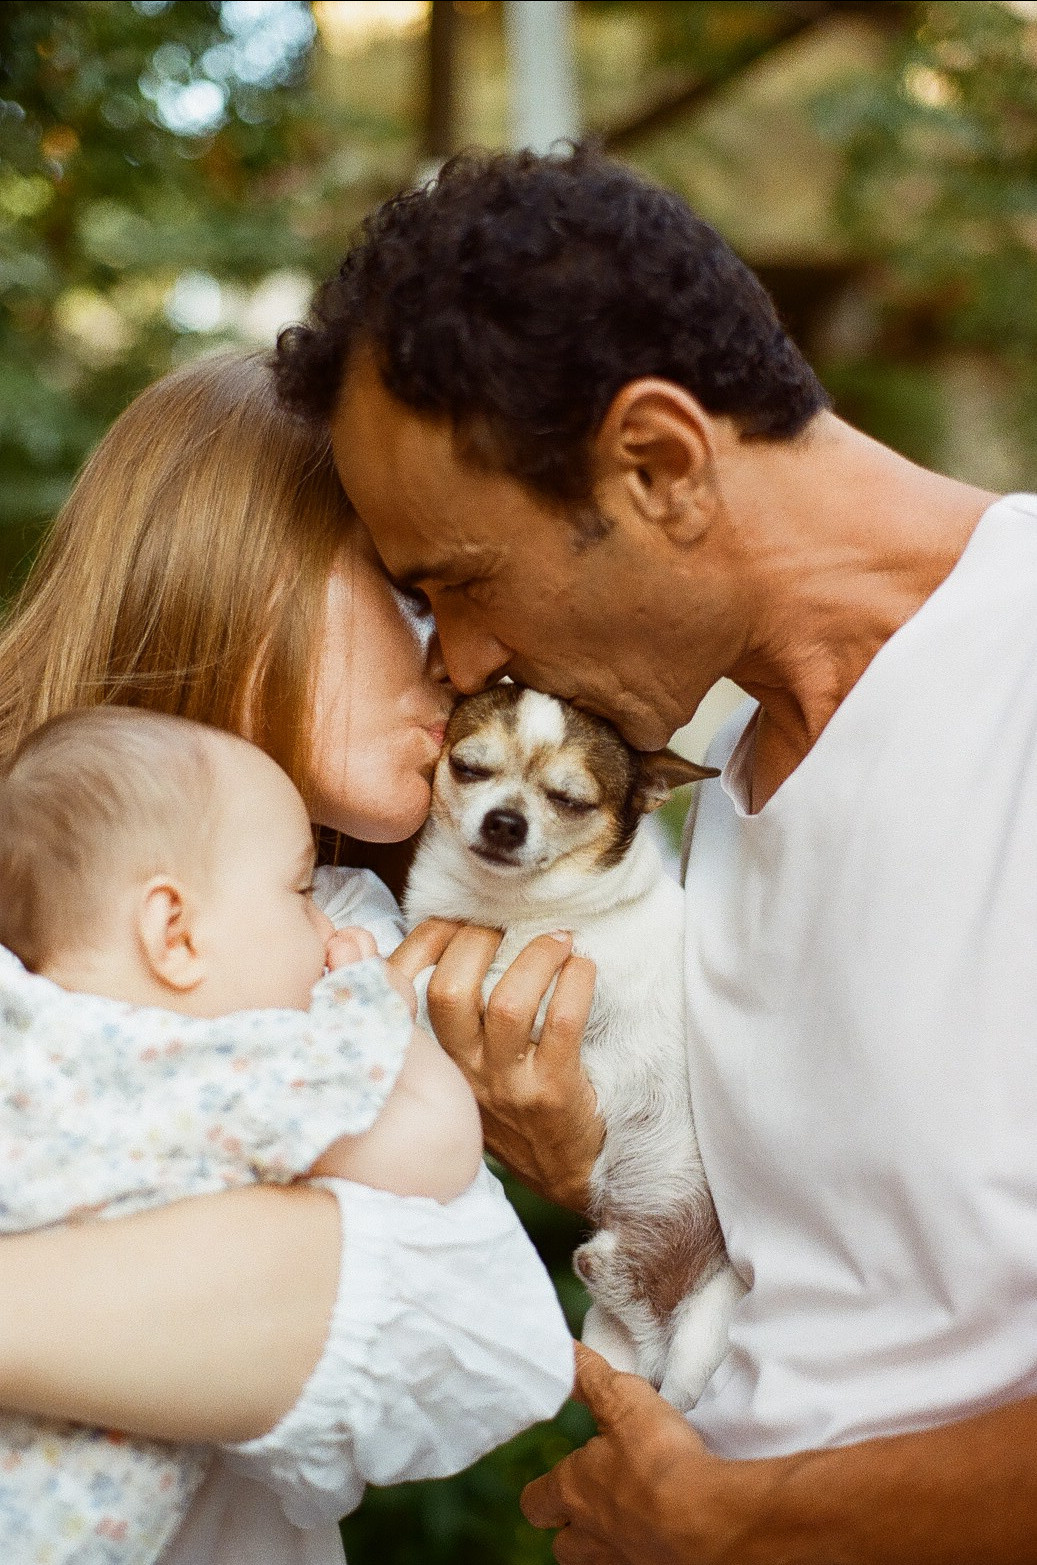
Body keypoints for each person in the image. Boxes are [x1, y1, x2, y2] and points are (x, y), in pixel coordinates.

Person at [268, 145, 1037, 1562]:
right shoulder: (711, 783)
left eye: (462, 583)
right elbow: (878, 1271)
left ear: (661, 464)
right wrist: (591, 1159)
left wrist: (742, 1524)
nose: (466, 667)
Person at [0, 352, 585, 1565]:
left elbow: (468, 1339)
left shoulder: (334, 929)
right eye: (413, 591)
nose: (469, 661)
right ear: (243, 562)